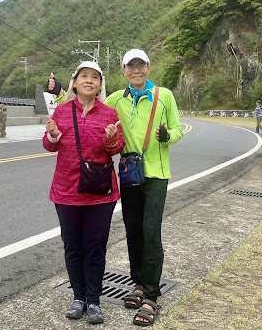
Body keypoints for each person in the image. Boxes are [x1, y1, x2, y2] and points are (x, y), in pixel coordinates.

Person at [104, 49, 183, 326]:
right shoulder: (115, 99)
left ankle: (150, 294)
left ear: (149, 67)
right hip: (129, 173)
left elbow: (177, 129)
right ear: (124, 71)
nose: (136, 70)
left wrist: (167, 135)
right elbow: (91, 110)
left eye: (141, 64)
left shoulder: (165, 96)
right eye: (130, 66)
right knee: (133, 230)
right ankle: (137, 283)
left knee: (151, 231)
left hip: (157, 175)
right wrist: (63, 93)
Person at [42, 61, 125, 324]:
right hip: (66, 191)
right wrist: (53, 135)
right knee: (73, 246)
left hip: (100, 193)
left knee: (95, 246)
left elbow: (116, 148)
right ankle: (78, 298)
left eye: (95, 78)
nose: (89, 81)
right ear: (75, 83)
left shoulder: (109, 114)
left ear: (100, 85)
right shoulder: (62, 112)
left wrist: (111, 138)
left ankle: (95, 301)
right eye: (84, 77)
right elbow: (49, 146)